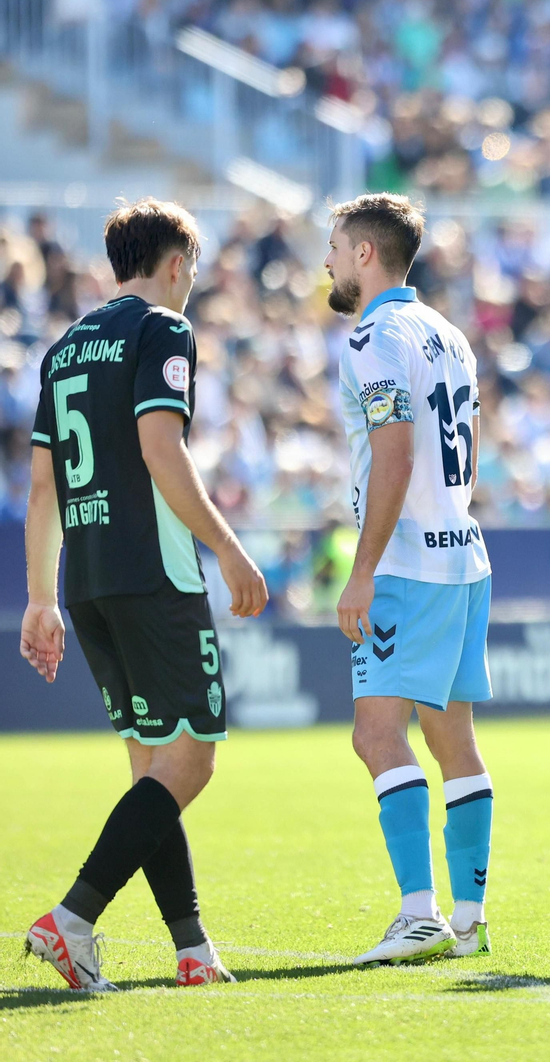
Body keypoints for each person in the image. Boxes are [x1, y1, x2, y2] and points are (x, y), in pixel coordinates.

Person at [21, 199, 270, 990]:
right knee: (191, 760)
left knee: (151, 767)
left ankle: (191, 946)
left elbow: (41, 486)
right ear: (174, 264)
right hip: (154, 571)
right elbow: (161, 448)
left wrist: (39, 596)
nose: (191, 285)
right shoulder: (164, 329)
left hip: (88, 579)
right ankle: (72, 918)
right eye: (191, 270)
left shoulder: (63, 348)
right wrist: (229, 551)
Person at [323, 193, 496, 966]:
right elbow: (472, 446)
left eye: (334, 246)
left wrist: (362, 572)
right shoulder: (449, 335)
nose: (327, 261)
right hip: (464, 553)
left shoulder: (372, 335)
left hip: (406, 564)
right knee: (452, 735)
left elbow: (392, 453)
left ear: (366, 253)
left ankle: (418, 912)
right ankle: (468, 917)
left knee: (375, 731)